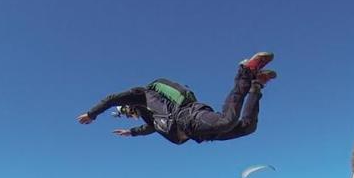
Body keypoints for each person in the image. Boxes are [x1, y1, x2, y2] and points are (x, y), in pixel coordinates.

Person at [76, 52, 276, 144]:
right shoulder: (152, 117)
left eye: (129, 112)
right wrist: (132, 133)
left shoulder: (143, 94)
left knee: (227, 121)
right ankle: (257, 84)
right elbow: (150, 128)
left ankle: (245, 72)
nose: (132, 115)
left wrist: (92, 114)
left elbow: (112, 98)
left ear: (129, 107)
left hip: (189, 116)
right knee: (248, 128)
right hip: (199, 134)